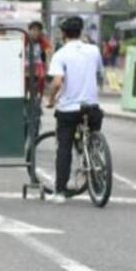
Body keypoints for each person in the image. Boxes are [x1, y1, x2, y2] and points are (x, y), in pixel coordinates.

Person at [45, 16, 104, 202]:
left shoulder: (60, 54)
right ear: (81, 32)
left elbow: (56, 82)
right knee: (94, 138)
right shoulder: (94, 50)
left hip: (69, 109)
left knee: (64, 147)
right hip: (92, 107)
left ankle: (60, 191)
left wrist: (51, 99)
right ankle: (95, 169)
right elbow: (99, 72)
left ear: (63, 34)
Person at [26, 21, 51, 100]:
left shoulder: (42, 41)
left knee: (40, 80)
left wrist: (48, 65)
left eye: (38, 30)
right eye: (33, 30)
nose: (36, 32)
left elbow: (48, 51)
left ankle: (37, 97)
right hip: (26, 65)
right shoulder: (24, 40)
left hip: (37, 66)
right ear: (29, 31)